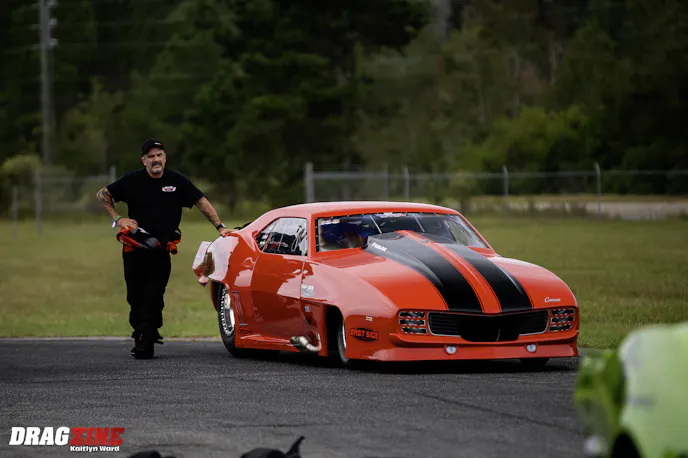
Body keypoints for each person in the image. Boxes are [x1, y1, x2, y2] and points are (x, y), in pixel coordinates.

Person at [96, 138, 231, 359]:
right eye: (151, 156)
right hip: (135, 249)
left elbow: (201, 201)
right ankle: (144, 332)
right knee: (135, 297)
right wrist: (119, 219)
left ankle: (145, 340)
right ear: (144, 160)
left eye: (159, 155)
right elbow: (102, 195)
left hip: (161, 249)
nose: (155, 159)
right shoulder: (131, 181)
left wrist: (220, 227)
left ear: (165, 158)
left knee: (154, 295)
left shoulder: (176, 181)